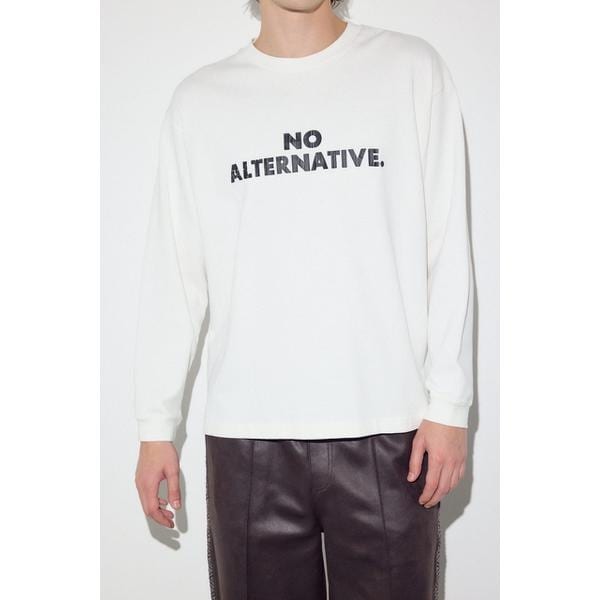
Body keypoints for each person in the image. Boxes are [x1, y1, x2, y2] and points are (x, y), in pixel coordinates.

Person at [134, 1, 474, 598]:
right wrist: (155, 425)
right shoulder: (200, 102)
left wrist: (449, 406)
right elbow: (175, 272)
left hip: (390, 431)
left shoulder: (410, 69)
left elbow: (447, 245)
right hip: (248, 439)